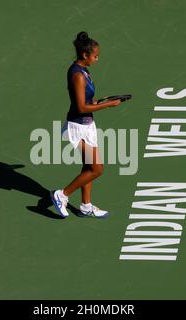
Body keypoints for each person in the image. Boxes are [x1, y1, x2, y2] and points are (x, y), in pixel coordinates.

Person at [50, 31, 121, 218]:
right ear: (85, 55)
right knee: (97, 169)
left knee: (88, 167)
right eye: (95, 55)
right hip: (77, 127)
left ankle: (85, 205)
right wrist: (108, 105)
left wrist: (98, 101)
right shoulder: (78, 75)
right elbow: (81, 107)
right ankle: (62, 194)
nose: (97, 59)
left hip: (87, 124)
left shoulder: (83, 71)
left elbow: (84, 101)